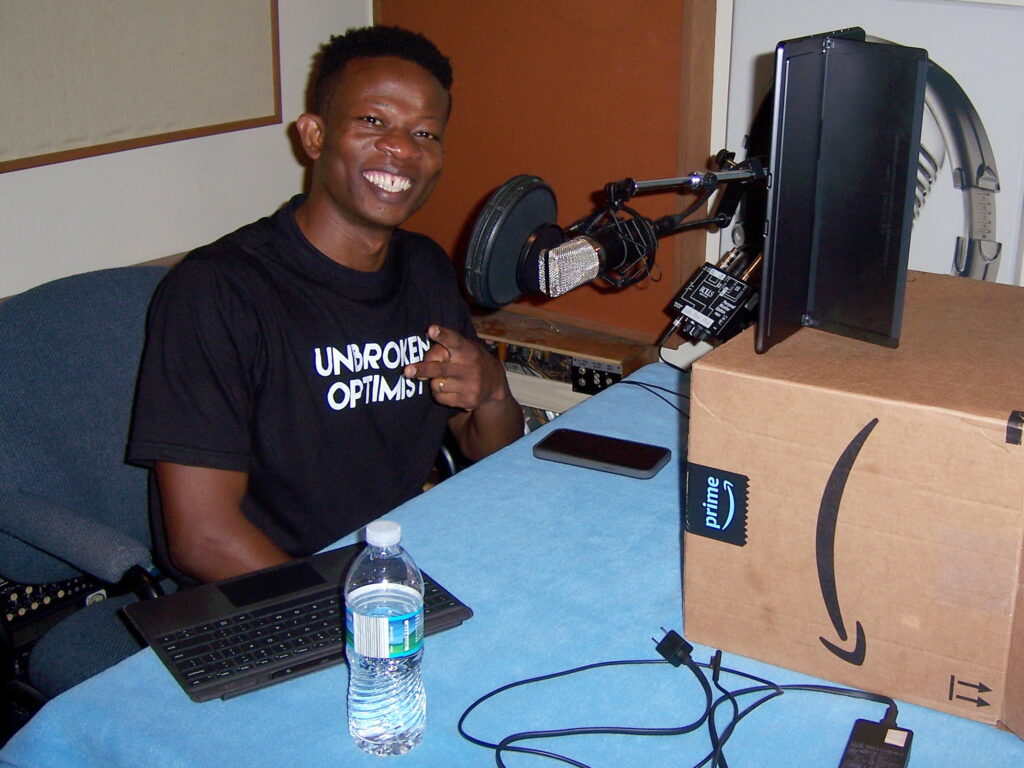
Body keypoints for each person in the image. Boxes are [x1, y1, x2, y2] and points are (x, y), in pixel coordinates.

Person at [128, 26, 523, 585]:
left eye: (426, 134)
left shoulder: (426, 268)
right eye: (373, 121)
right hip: (266, 590)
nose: (404, 149)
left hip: (397, 563)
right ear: (314, 136)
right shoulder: (218, 291)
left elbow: (489, 450)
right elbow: (203, 540)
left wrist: (494, 390)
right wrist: (356, 611)